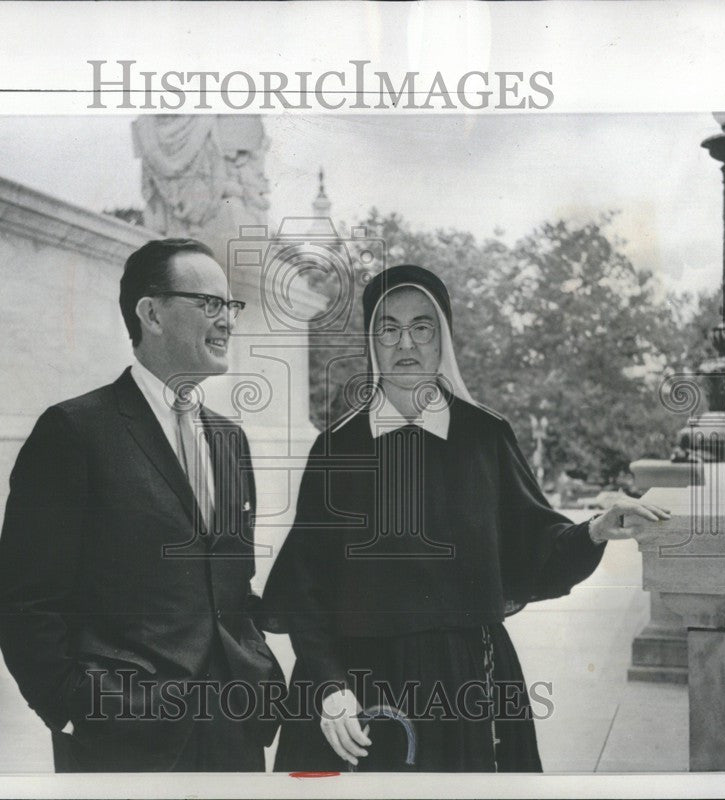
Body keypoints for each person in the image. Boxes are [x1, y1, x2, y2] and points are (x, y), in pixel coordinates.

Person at [261, 264, 670, 772]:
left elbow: (535, 546)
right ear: (372, 341)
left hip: (466, 681)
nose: (405, 342)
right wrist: (328, 688)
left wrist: (595, 531)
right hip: (355, 688)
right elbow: (304, 586)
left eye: (421, 326)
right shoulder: (338, 448)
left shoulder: (485, 437)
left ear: (443, 339)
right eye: (388, 328)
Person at [0, 238, 282, 772]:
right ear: (152, 314)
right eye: (209, 304)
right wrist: (71, 711)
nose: (228, 321)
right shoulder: (73, 432)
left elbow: (229, 588)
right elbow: (23, 600)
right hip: (121, 738)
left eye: (231, 306)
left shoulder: (230, 441)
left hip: (234, 730)